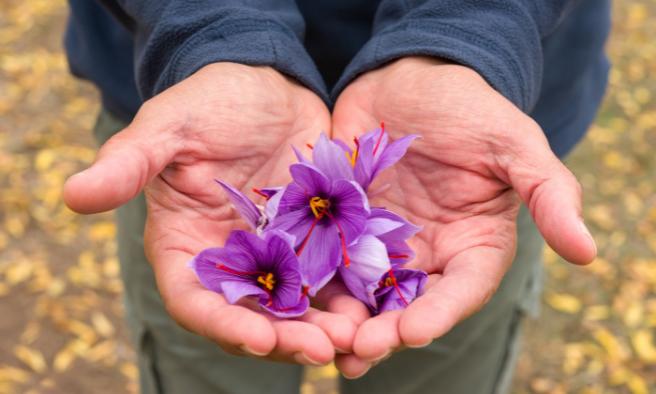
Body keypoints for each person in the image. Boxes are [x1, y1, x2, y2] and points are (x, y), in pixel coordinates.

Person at [62, 1, 610, 393]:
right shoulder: (289, 209)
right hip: (192, 125)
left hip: (469, 151)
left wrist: (461, 44)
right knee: (211, 372)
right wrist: (215, 37)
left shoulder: (361, 207)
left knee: (437, 365)